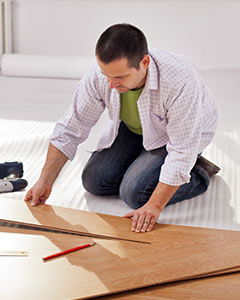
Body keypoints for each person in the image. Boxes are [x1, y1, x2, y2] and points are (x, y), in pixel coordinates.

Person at [24, 23, 220, 233]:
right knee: (94, 181)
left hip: (181, 135)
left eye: (119, 77)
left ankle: (198, 172)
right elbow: (72, 127)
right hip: (136, 127)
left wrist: (154, 206)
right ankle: (148, 162)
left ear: (144, 63)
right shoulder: (102, 75)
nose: (110, 84)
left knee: (135, 194)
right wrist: (44, 180)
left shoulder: (180, 81)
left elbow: (181, 149)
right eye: (106, 75)